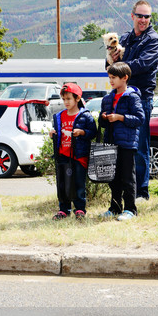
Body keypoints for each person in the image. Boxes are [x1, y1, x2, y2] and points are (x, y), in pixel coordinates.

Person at [107, 0, 158, 202]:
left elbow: (142, 65)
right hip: (120, 97)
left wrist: (119, 65)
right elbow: (109, 64)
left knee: (139, 146)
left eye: (147, 16)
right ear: (132, 16)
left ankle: (141, 193)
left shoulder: (153, 40)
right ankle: (123, 191)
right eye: (140, 16)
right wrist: (111, 58)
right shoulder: (124, 38)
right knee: (121, 146)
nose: (144, 20)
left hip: (141, 98)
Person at [99, 62, 145, 221]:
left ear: (125, 78)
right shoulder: (107, 98)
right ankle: (115, 207)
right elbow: (102, 123)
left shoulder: (132, 97)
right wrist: (103, 118)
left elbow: (140, 119)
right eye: (109, 77)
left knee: (127, 177)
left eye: (114, 77)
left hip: (127, 144)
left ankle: (131, 209)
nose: (111, 81)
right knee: (113, 177)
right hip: (111, 142)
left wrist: (120, 117)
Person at [50, 83, 97, 220]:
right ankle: (64, 209)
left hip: (78, 156)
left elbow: (93, 132)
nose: (66, 102)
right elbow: (58, 131)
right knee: (63, 183)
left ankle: (80, 209)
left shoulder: (85, 116)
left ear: (77, 99)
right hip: (63, 155)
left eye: (69, 99)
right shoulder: (59, 116)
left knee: (78, 184)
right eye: (64, 99)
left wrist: (82, 132)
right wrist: (53, 134)